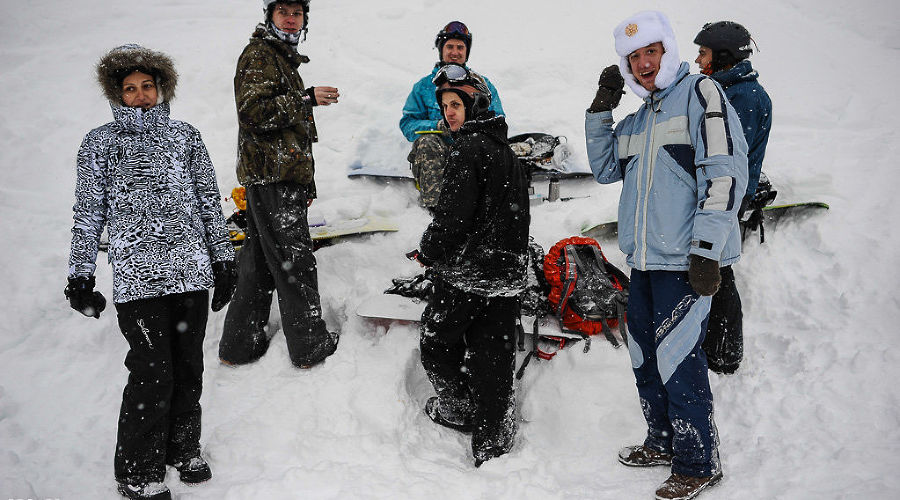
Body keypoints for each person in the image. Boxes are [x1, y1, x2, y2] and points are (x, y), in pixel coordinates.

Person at [584, 11, 748, 500]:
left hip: (685, 262)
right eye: (633, 58)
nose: (643, 64)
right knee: (645, 356)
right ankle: (661, 440)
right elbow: (605, 168)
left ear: (668, 52)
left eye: (650, 53)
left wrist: (706, 252)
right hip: (645, 262)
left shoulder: (701, 94)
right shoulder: (637, 119)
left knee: (678, 359)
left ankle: (698, 463)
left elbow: (723, 172)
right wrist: (599, 110)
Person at [66, 44, 235, 500]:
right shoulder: (100, 143)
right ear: (117, 95)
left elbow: (207, 201)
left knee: (188, 365)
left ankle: (182, 448)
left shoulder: (185, 136)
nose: (140, 96)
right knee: (151, 372)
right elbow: (88, 213)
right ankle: (138, 472)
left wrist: (223, 260)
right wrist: (80, 276)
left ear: (162, 89)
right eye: (130, 89)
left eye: (147, 87)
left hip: (190, 274)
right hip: (138, 282)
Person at [415, 64, 529, 467]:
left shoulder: (467, 147)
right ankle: (494, 440)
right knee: (492, 357)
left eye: (456, 104)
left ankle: (460, 408)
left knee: (436, 342)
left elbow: (452, 216)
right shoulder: (508, 155)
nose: (449, 112)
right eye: (445, 105)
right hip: (506, 276)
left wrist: (427, 252)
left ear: (475, 104)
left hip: (469, 273)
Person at [220, 0, 340, 369]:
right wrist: (306, 99)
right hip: (273, 177)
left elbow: (290, 132)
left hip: (275, 176)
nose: (291, 18)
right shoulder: (260, 54)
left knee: (258, 262)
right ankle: (310, 346)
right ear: (269, 16)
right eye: (283, 11)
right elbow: (252, 112)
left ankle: (241, 345)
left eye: (297, 13)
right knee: (294, 262)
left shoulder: (280, 57)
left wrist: (306, 183)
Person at [694, 21, 773, 374]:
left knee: (719, 269)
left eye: (704, 53)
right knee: (715, 268)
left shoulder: (741, 97)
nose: (697, 59)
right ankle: (715, 346)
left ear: (722, 55)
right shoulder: (729, 91)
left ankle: (725, 353)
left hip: (727, 198)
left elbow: (723, 157)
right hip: (726, 195)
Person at [400, 21, 505, 211]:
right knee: (428, 142)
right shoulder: (424, 86)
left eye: (460, 47)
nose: (455, 52)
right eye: (450, 46)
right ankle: (437, 210)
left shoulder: (482, 84)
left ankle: (485, 207)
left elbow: (498, 120)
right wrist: (438, 125)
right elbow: (408, 123)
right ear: (441, 50)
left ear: (466, 51)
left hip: (472, 152)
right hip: (440, 154)